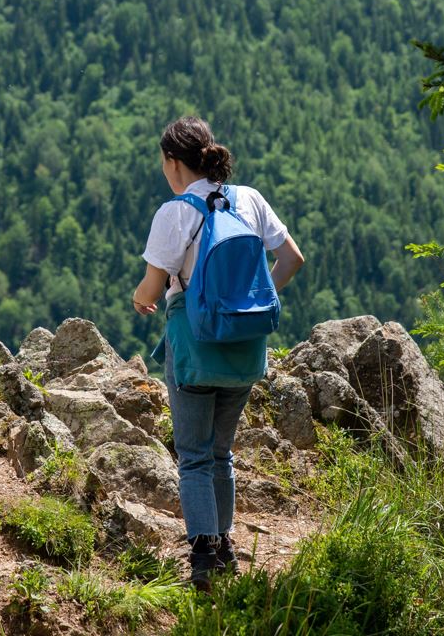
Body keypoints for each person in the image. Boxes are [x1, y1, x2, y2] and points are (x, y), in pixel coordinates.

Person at [133, 116, 304, 592]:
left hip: (195, 347)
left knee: (192, 456)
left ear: (173, 162)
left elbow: (152, 285)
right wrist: (253, 296)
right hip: (246, 349)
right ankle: (225, 545)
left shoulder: (175, 212)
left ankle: (205, 554)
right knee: (221, 453)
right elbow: (292, 259)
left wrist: (140, 297)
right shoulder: (248, 199)